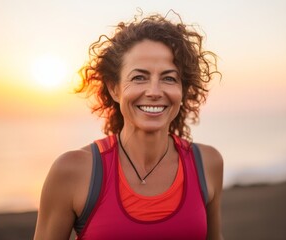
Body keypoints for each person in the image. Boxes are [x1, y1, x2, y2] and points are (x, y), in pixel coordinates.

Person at [34, 11, 223, 240]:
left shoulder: (207, 164)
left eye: (169, 78)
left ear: (182, 91)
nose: (154, 91)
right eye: (139, 77)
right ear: (114, 88)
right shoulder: (72, 171)